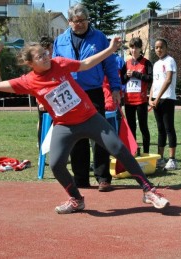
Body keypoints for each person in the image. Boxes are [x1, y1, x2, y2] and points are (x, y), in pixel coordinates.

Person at [0, 37, 170, 214]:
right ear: (30, 63)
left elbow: (85, 64)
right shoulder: (28, 81)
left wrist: (110, 49)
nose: (46, 57)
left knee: (119, 148)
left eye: (45, 53)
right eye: (40, 57)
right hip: (64, 126)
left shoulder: (58, 63)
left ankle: (148, 191)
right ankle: (76, 199)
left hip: (90, 118)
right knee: (56, 164)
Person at [52, 3, 122, 191]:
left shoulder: (99, 38)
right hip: (70, 94)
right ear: (69, 22)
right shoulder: (60, 41)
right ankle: (81, 178)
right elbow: (54, 68)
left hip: (93, 92)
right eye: (77, 21)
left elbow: (110, 64)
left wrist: (115, 88)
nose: (81, 24)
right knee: (76, 137)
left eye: (84, 20)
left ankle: (103, 178)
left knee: (100, 135)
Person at [149, 38, 178, 171]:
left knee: (168, 128)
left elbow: (168, 80)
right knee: (160, 129)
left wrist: (158, 97)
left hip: (167, 99)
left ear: (166, 48)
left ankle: (172, 159)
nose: (158, 50)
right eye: (156, 47)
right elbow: (155, 82)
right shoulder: (156, 64)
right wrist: (151, 97)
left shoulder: (170, 61)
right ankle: (160, 158)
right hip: (156, 99)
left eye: (161, 47)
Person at [121, 37, 152, 154]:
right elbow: (122, 80)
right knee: (131, 127)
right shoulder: (127, 63)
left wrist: (136, 74)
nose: (134, 50)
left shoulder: (146, 62)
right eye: (132, 47)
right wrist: (127, 76)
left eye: (136, 47)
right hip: (129, 101)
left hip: (141, 100)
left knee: (144, 127)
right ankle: (133, 151)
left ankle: (146, 152)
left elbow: (150, 78)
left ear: (140, 48)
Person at [36, 36, 54, 151]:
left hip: (56, 96)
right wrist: (40, 101)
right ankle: (41, 153)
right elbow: (37, 83)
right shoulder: (40, 62)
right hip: (44, 97)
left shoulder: (54, 59)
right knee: (43, 124)